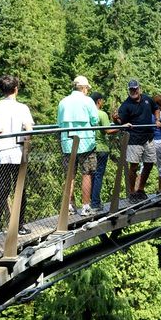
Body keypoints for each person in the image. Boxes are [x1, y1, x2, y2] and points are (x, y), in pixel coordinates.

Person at [0, 75, 34, 240]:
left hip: (1, 153)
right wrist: (26, 151)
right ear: (16, 89)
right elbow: (28, 131)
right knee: (20, 189)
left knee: (2, 189)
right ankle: (19, 226)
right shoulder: (22, 108)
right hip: (19, 153)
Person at [56, 75, 99, 216]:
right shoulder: (88, 101)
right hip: (86, 143)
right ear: (84, 88)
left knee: (70, 175)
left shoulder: (63, 102)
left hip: (67, 143)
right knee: (87, 173)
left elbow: (59, 123)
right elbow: (95, 120)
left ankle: (69, 206)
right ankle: (86, 206)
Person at [114, 79, 160, 202]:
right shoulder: (126, 105)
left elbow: (156, 108)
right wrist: (115, 119)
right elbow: (120, 122)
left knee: (149, 164)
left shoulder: (147, 99)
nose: (133, 91)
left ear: (139, 88)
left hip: (148, 138)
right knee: (133, 166)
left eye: (135, 88)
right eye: (131, 89)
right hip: (134, 139)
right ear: (129, 90)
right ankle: (132, 192)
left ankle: (141, 189)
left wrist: (157, 120)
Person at [89, 91, 119, 211]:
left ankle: (91, 201)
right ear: (99, 101)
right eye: (102, 101)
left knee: (91, 175)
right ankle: (95, 203)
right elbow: (107, 130)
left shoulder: (88, 114)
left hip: (90, 148)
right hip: (101, 148)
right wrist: (121, 127)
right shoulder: (101, 114)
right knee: (98, 176)